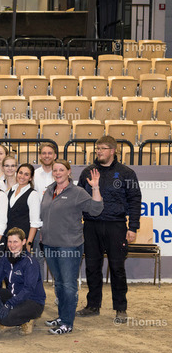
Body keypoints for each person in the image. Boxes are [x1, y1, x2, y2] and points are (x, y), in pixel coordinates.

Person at [77, 136, 140, 324]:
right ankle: (92, 305)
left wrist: (133, 227)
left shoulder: (127, 173)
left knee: (117, 268)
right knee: (92, 267)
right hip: (91, 225)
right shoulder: (87, 172)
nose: (98, 152)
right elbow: (79, 199)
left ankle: (120, 308)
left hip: (116, 225)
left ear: (113, 150)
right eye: (97, 149)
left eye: (103, 148)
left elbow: (135, 200)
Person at [41, 160, 103, 334]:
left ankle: (67, 323)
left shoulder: (77, 192)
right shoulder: (49, 190)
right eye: (55, 170)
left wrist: (95, 187)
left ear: (68, 172)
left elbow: (96, 209)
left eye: (61, 170)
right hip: (49, 245)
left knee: (68, 285)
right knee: (59, 284)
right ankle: (62, 316)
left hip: (69, 246)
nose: (57, 173)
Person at [0, 228, 46, 335]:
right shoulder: (5, 258)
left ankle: (27, 320)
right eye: (10, 242)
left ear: (23, 242)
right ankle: (12, 317)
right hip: (14, 296)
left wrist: (9, 304)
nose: (12, 245)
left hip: (32, 301)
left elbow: (28, 289)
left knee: (4, 319)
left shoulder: (30, 262)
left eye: (15, 241)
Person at [31, 143, 57, 279]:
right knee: (38, 259)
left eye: (50, 153)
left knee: (57, 260)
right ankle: (38, 290)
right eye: (44, 153)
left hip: (57, 225)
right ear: (40, 156)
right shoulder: (34, 175)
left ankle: (60, 291)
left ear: (55, 155)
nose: (47, 156)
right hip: (38, 224)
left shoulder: (60, 174)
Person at [6, 163, 41, 247]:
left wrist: (29, 243)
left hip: (23, 240)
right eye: (20, 173)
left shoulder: (33, 194)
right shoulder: (10, 191)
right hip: (9, 239)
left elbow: (35, 223)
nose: (22, 176)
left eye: (26, 174)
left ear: (30, 178)